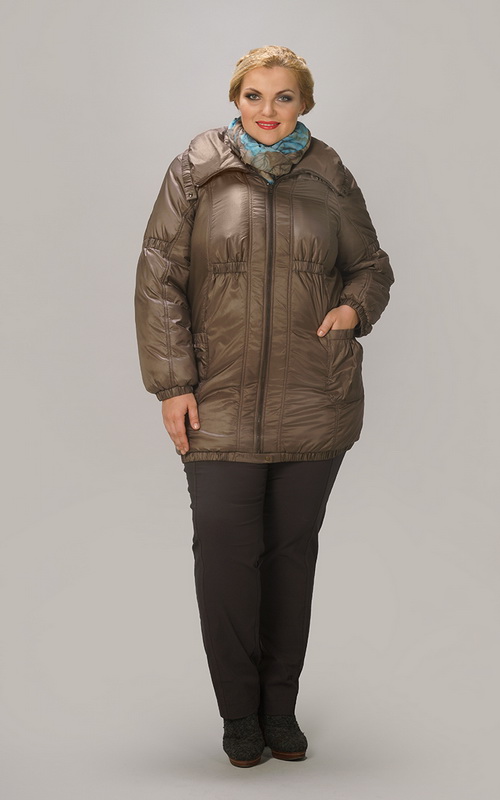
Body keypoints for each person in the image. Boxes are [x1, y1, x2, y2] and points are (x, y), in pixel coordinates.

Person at [134, 45, 394, 768]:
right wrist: (173, 383)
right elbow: (158, 276)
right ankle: (238, 714)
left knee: (290, 558)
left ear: (304, 104)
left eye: (284, 97)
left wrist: (352, 310)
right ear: (236, 99)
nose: (268, 110)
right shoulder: (197, 169)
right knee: (225, 559)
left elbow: (371, 267)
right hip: (217, 402)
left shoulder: (329, 173)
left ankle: (280, 708)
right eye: (254, 95)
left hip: (315, 399)